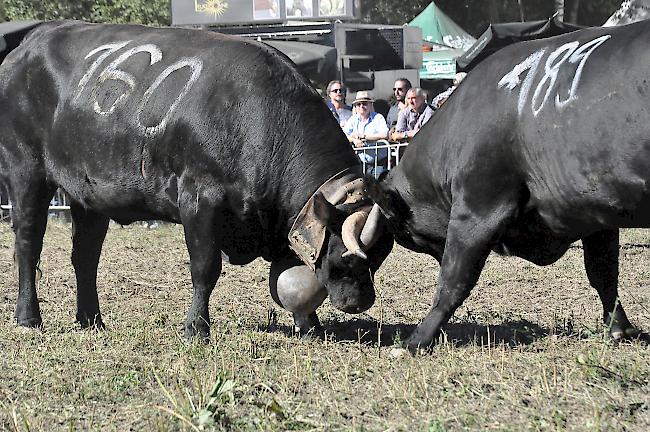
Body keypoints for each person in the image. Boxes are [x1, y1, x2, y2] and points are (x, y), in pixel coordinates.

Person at [343, 90, 389, 175]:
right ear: (355, 107)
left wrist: (364, 136)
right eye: (358, 104)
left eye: (364, 103)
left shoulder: (378, 118)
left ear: (370, 104)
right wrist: (354, 140)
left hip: (378, 163)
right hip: (360, 164)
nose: (361, 106)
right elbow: (343, 134)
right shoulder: (353, 119)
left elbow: (385, 134)